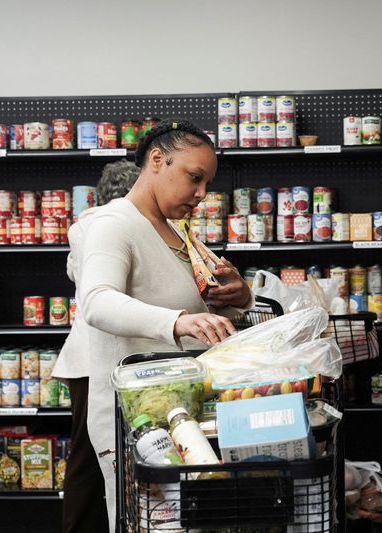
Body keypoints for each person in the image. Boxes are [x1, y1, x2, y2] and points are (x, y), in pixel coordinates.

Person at [78, 119, 253, 532]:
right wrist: (177, 321)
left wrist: (238, 297)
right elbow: (96, 301)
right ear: (157, 160)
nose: (202, 194)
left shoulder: (178, 231)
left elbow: (205, 306)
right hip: (137, 423)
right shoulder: (115, 223)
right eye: (194, 178)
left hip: (180, 412)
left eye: (206, 182)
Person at [52, 160, 140, 533]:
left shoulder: (87, 226)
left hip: (99, 359)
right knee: (90, 457)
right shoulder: (100, 227)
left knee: (99, 456)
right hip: (93, 360)